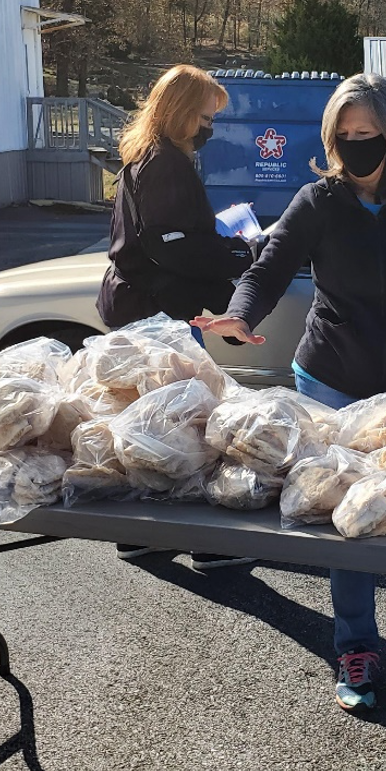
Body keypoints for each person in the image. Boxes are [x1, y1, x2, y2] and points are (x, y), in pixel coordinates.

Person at [195, 73, 386, 712]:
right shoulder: (318, 200)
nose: (355, 148)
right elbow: (269, 266)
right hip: (333, 378)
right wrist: (241, 314)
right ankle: (356, 645)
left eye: (368, 136)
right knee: (346, 517)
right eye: (344, 136)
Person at [98, 64, 256, 572]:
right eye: (206, 116)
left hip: (141, 308)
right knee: (187, 427)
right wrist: (238, 254)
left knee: (148, 427)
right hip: (160, 314)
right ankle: (207, 540)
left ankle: (138, 532)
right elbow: (172, 247)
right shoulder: (166, 163)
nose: (210, 127)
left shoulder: (143, 157)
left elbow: (162, 240)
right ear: (183, 112)